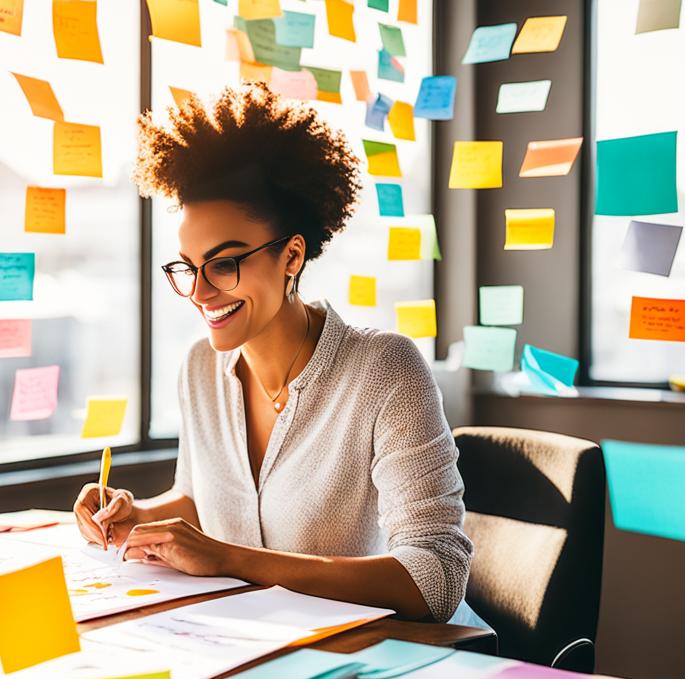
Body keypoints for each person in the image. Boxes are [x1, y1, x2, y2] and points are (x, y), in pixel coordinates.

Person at [72, 84, 476, 623]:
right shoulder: (199, 368)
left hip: (377, 662)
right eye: (187, 266)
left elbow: (435, 578)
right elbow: (202, 500)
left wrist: (227, 560)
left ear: (291, 255)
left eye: (224, 264)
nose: (199, 291)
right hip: (255, 651)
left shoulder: (385, 372)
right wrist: (138, 516)